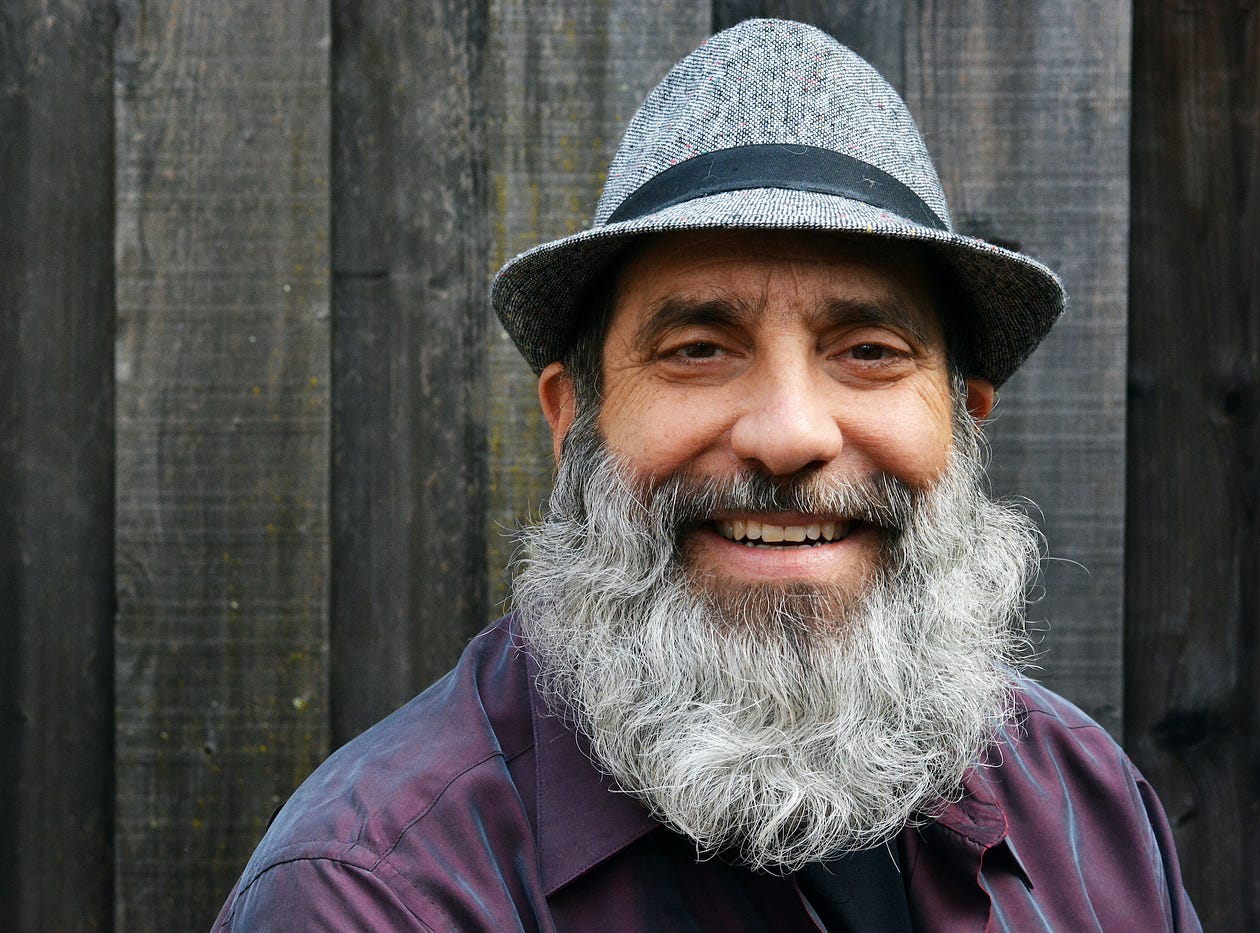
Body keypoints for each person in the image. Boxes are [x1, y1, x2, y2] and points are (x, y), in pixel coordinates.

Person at [213, 19, 1200, 932]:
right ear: (572, 420)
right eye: (697, 349)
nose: (789, 435)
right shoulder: (374, 894)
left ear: (964, 421)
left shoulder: (1087, 805)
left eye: (868, 350)